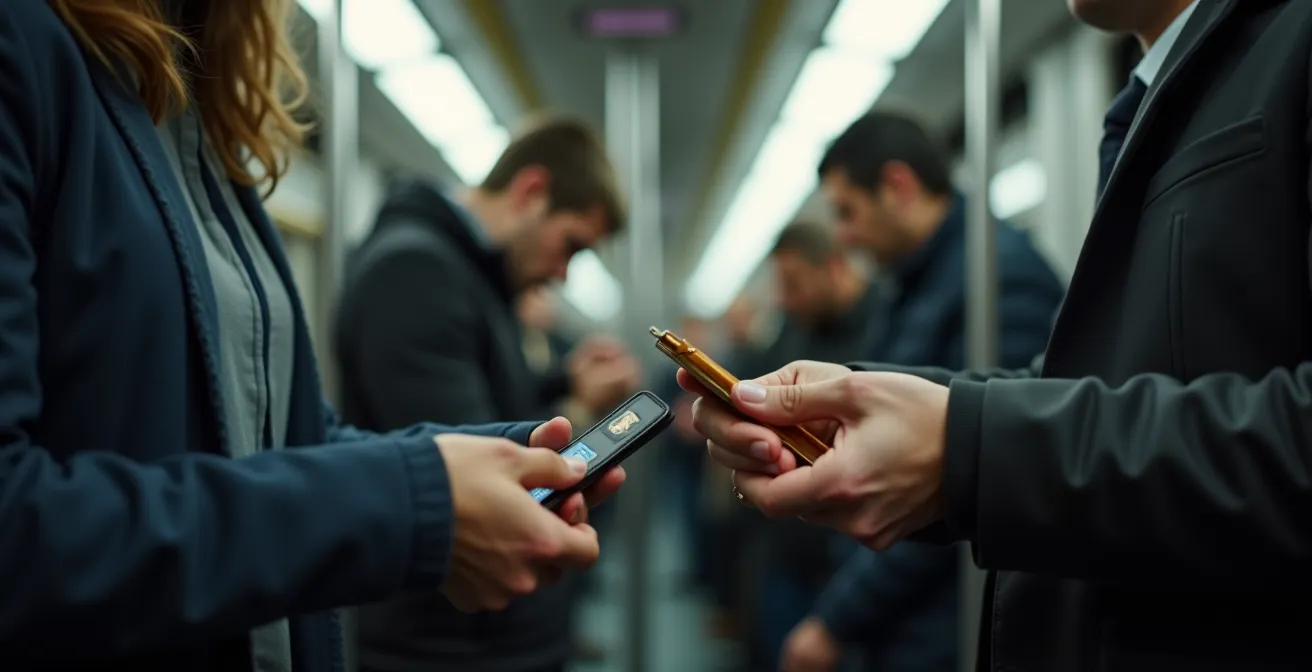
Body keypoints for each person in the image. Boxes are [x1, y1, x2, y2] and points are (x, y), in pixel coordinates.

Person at [684, 0, 1312, 670]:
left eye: (845, 213)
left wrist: (966, 450)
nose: (839, 238)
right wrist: (851, 406)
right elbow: (1095, 389)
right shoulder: (1154, 107)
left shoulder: (1286, 50)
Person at [0, 2, 622, 670]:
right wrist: (410, 506)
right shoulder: (27, 50)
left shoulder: (196, 125)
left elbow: (281, 434)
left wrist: (491, 454)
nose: (560, 274)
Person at [336, 117, 638, 672]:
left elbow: (490, 398)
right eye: (570, 245)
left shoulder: (466, 273)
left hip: (477, 630)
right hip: (446, 641)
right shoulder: (416, 272)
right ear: (530, 193)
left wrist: (566, 381)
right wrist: (571, 413)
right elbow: (475, 476)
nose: (564, 274)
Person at [781, 113, 1064, 672]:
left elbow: (965, 470)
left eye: (847, 212)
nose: (842, 236)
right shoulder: (913, 285)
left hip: (947, 618)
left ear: (898, 187)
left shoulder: (997, 278)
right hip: (901, 612)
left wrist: (840, 619)